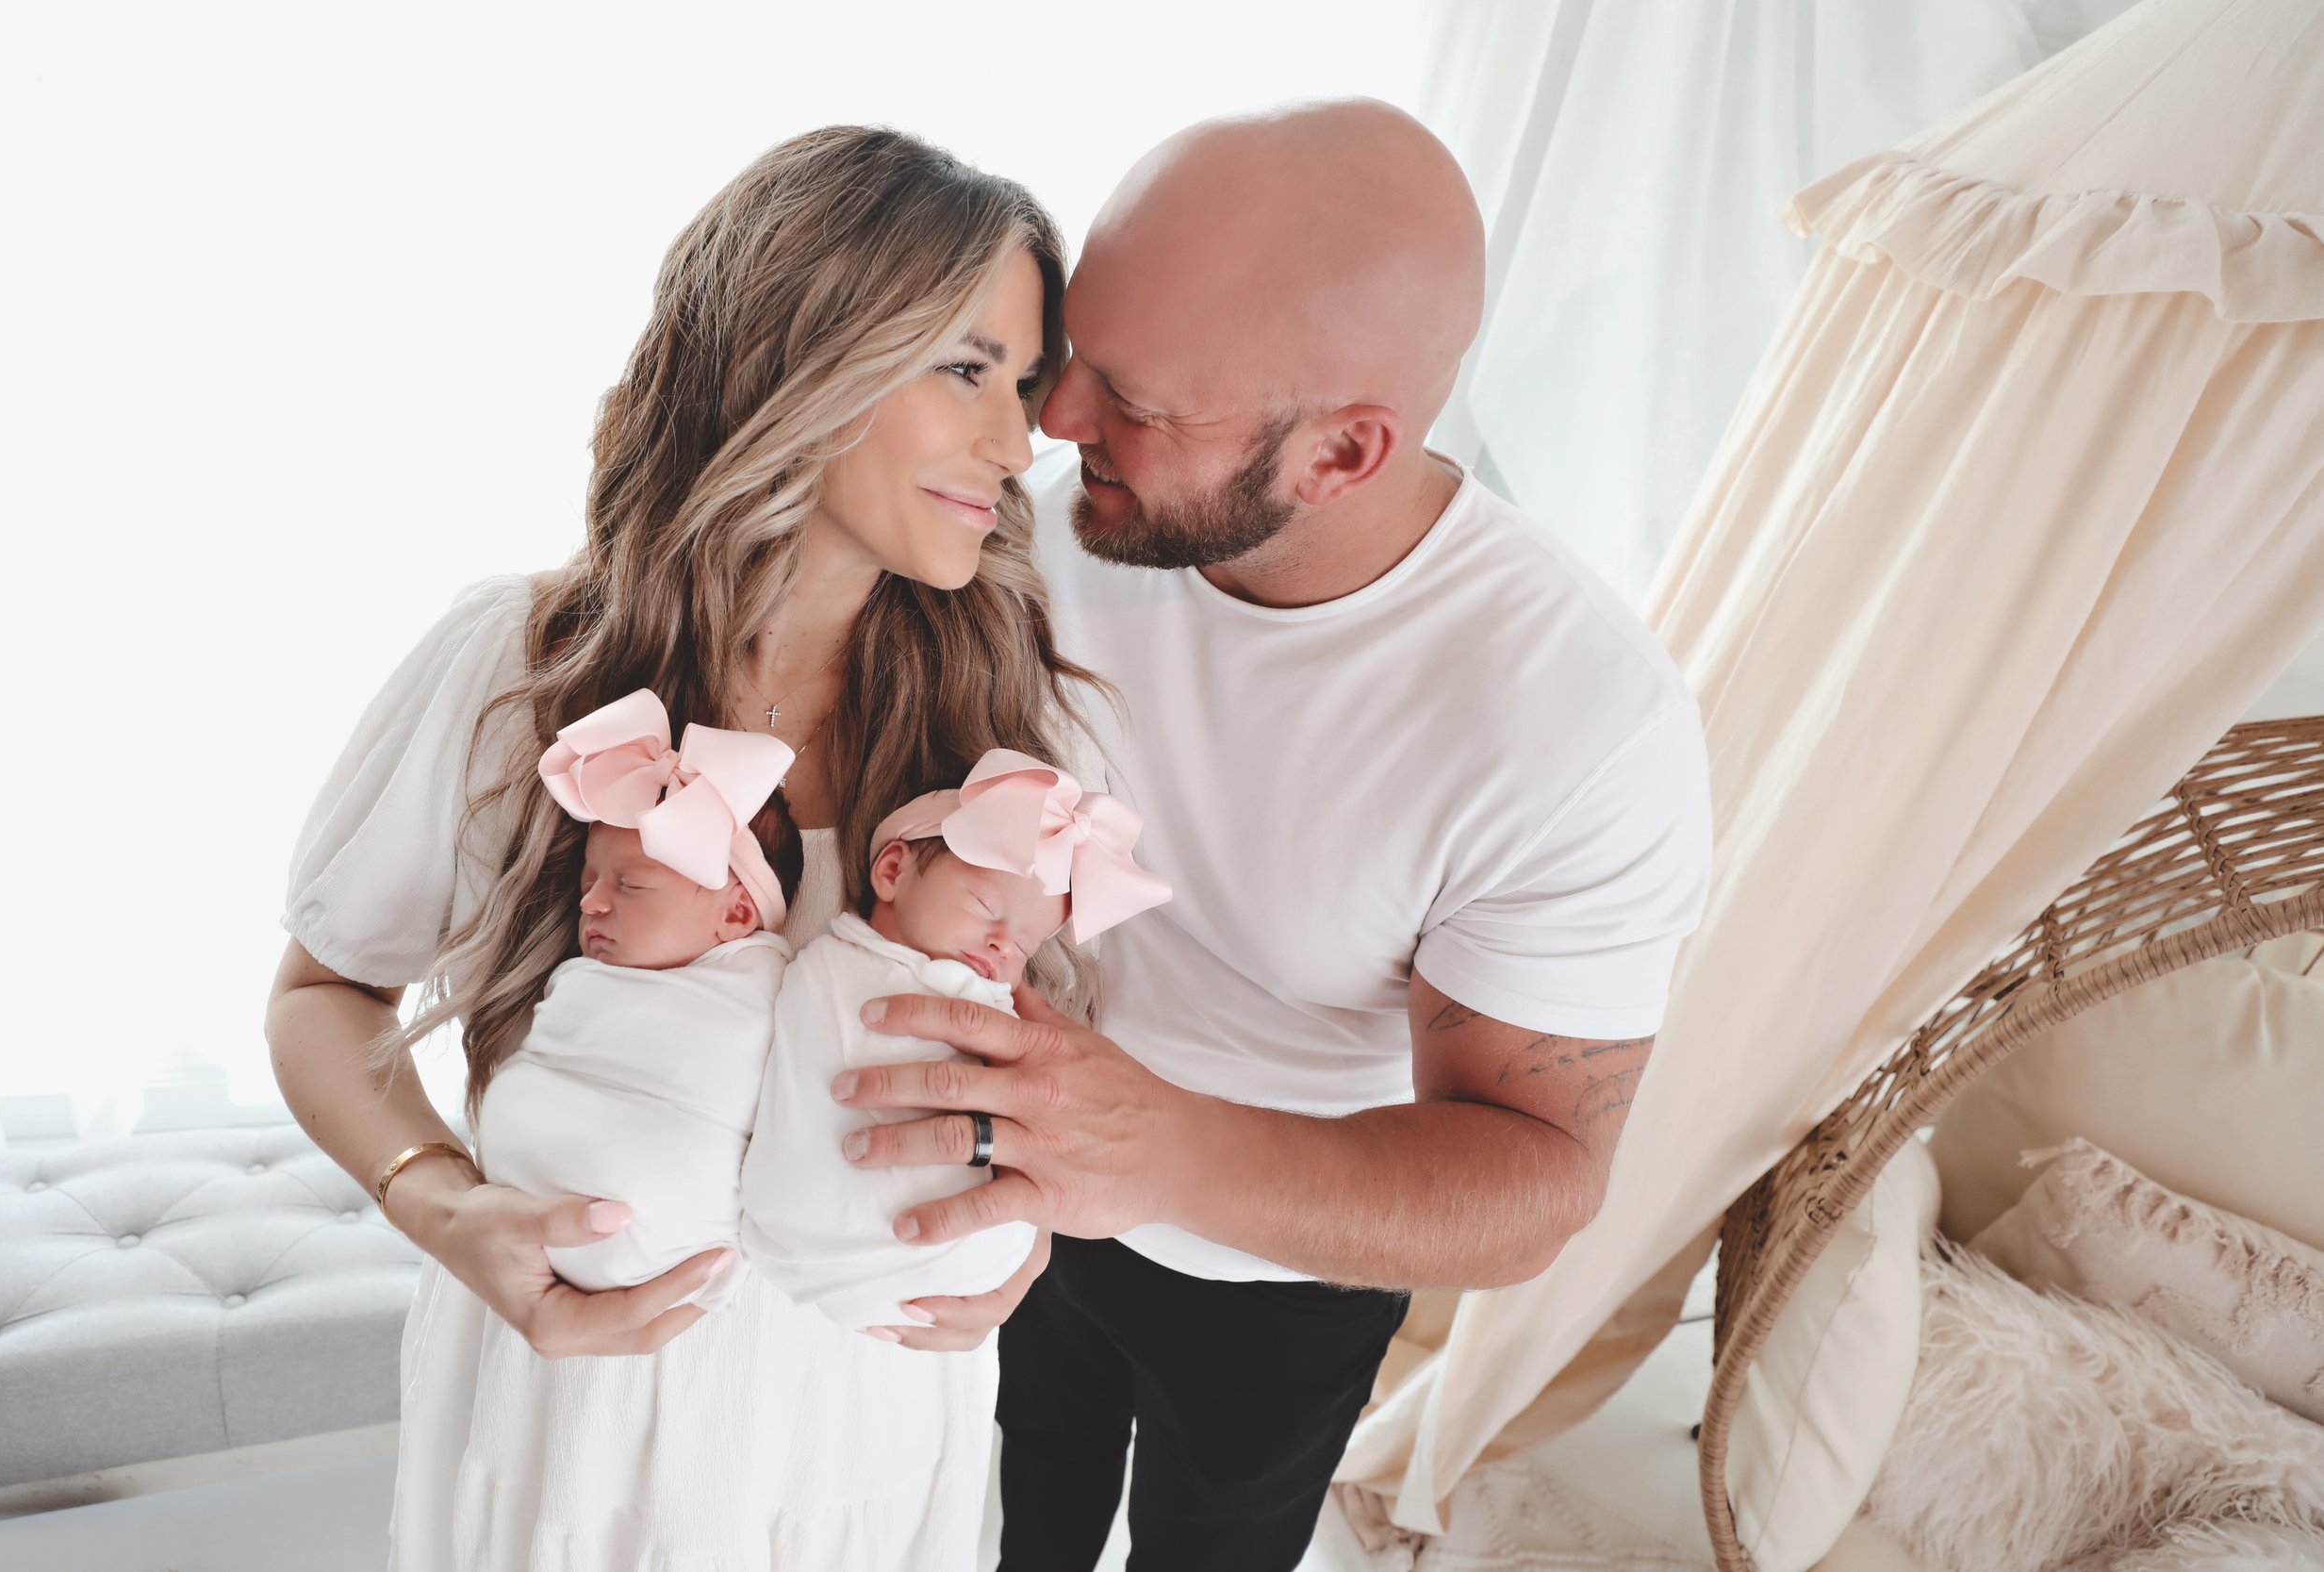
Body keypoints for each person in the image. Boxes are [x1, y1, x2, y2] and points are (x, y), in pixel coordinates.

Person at [830, 101, 1717, 1571]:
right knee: (1020, 1503)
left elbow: (1537, 1180)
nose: (1051, 425)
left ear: (1344, 453)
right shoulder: (1057, 524)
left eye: (1132, 398)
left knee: (1212, 1538)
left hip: (1285, 1257)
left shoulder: (1576, 725)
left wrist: (1155, 1147)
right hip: (1017, 1169)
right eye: (1071, 361)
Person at [265, 126, 1104, 1570]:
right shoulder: (523, 668)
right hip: (583, 1398)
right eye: (966, 369)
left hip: (874, 1402)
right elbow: (321, 995)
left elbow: (1038, 1059)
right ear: (799, 355)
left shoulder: (1006, 712)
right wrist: (444, 1202)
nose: (1016, 443)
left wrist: (1023, 1221)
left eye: (1025, 386)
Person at [741, 749, 1170, 1331]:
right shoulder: (824, 965)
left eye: (1025, 944)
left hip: (950, 1265)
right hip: (790, 1234)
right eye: (987, 907)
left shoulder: (995, 1008)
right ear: (891, 872)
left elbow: (1035, 1115)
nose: (1002, 947)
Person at [472, 689, 802, 1312]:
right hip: (519, 1213)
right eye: (589, 881)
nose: (590, 903)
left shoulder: (766, 994)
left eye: (630, 884)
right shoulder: (591, 981)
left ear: (736, 912)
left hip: (662, 1218)